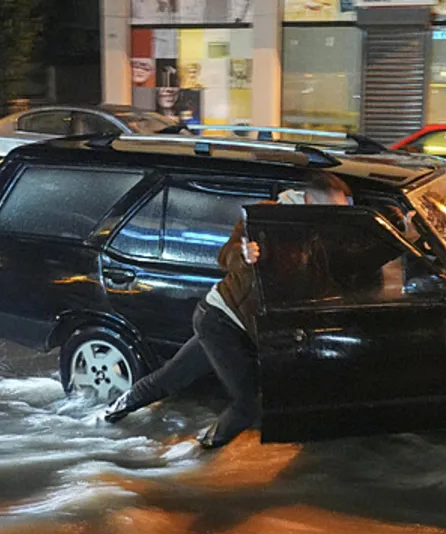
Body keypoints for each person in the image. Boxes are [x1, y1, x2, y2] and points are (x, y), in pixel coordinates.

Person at [104, 171, 354, 449]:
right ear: (308, 201)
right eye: (331, 209)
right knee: (249, 403)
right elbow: (227, 254)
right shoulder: (265, 218)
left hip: (241, 324)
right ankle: (201, 453)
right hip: (221, 318)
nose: (336, 218)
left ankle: (108, 415)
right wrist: (246, 256)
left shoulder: (319, 232)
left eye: (341, 210)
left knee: (170, 378)